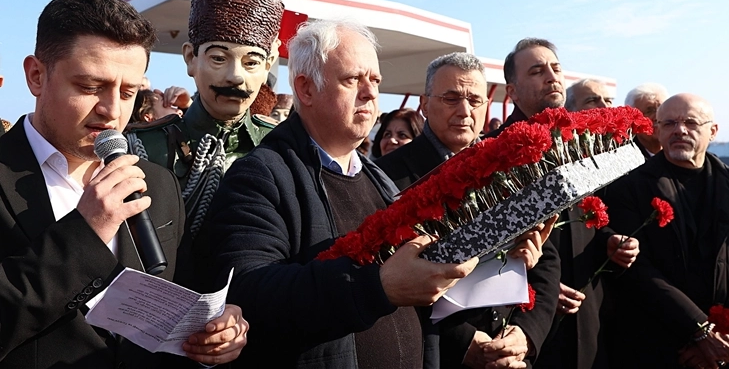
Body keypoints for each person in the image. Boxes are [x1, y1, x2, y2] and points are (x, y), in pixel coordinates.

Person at [206, 19, 480, 368]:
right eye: (353, 80)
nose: (370, 92)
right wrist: (378, 287)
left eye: (375, 80)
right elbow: (248, 293)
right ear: (305, 89)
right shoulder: (261, 175)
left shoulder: (379, 178)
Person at [0, 0, 247, 368]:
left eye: (129, 91)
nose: (112, 110)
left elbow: (184, 298)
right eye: (89, 87)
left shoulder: (157, 184)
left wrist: (215, 334)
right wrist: (85, 233)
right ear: (36, 75)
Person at [374, 52, 559, 368]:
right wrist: (461, 340)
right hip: (434, 353)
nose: (464, 111)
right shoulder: (387, 178)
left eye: (475, 100)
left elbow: (548, 262)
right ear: (424, 104)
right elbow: (387, 280)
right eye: (450, 98)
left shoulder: (511, 168)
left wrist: (526, 337)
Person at [482, 38, 637, 369]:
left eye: (556, 68)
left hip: (587, 316)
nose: (551, 77)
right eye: (537, 71)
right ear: (512, 91)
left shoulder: (577, 143)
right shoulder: (491, 154)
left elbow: (583, 213)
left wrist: (608, 238)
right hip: (524, 324)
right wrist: (545, 287)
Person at [125, 0, 283, 237]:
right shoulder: (144, 148)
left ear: (268, 65)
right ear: (190, 59)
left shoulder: (280, 147)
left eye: (251, 62)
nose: (235, 77)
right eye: (218, 59)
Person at [601, 93, 729, 369]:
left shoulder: (726, 184)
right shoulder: (629, 187)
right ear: (656, 130)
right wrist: (697, 330)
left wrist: (722, 332)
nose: (679, 130)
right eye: (669, 123)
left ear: (713, 131)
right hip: (657, 344)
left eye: (691, 122)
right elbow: (638, 270)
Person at [624, 82, 669, 159]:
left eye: (662, 109)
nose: (657, 117)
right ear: (631, 119)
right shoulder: (625, 156)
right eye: (649, 111)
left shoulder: (679, 150)